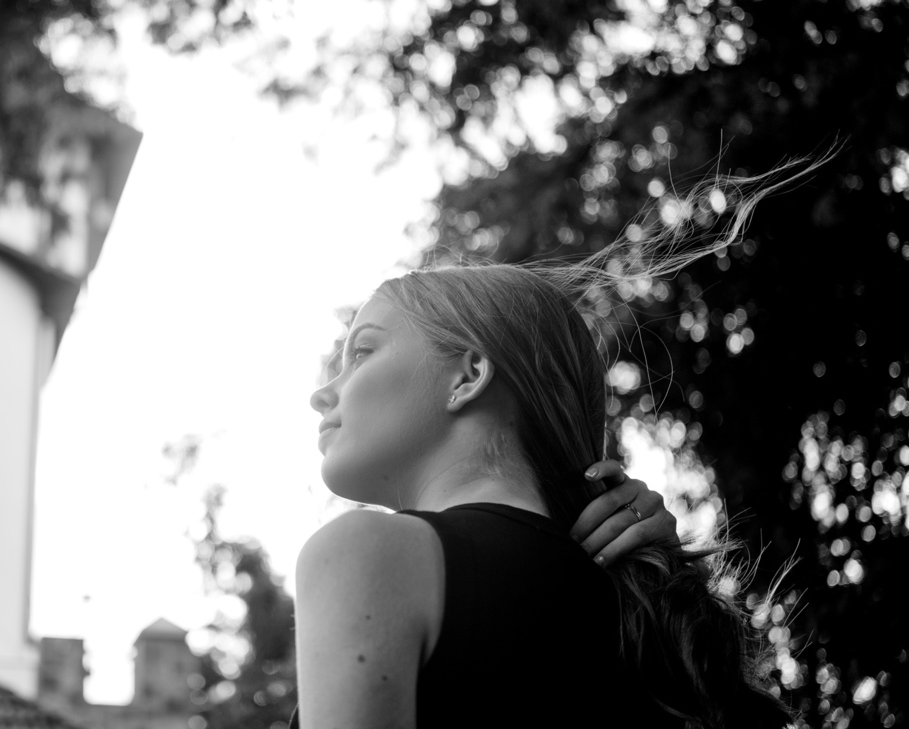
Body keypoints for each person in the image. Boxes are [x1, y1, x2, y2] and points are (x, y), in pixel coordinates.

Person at [289, 159, 828, 728]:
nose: (322, 395)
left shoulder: (367, 556)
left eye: (362, 351)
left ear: (468, 375)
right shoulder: (649, 615)